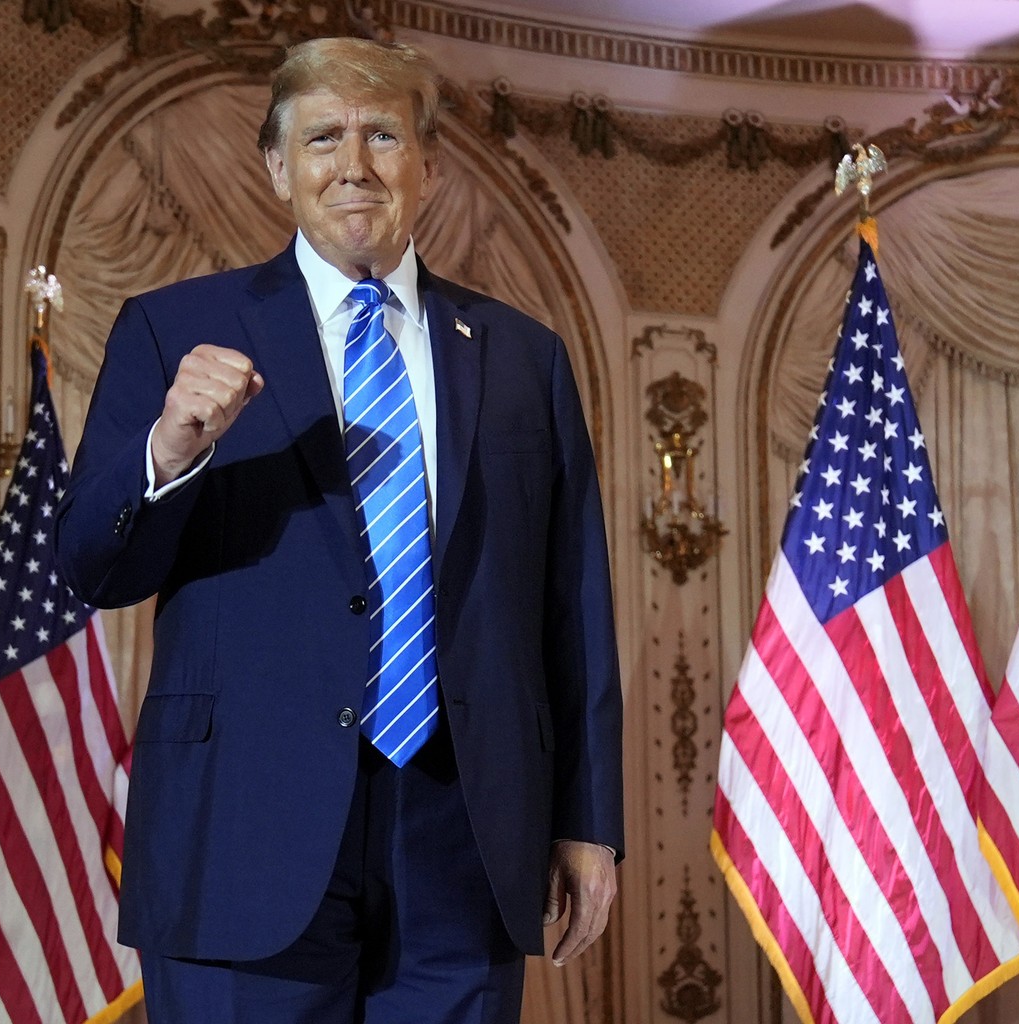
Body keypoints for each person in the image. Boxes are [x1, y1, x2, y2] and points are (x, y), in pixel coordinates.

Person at [54, 36, 623, 1024]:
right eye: (320, 138)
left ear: (429, 164)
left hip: (466, 831)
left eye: (382, 135)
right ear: (277, 168)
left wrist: (588, 822)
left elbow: (572, 603)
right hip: (240, 824)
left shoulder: (525, 358)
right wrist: (171, 446)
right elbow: (93, 567)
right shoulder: (172, 327)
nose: (352, 164)